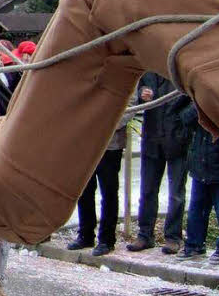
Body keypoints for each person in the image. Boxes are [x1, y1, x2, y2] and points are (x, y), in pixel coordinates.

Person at [127, 72, 196, 254]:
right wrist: (143, 94)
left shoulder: (182, 70)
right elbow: (139, 94)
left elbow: (197, 100)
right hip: (152, 138)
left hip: (177, 139)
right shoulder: (149, 70)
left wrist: (183, 120)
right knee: (147, 190)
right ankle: (144, 234)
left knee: (176, 194)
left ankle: (173, 237)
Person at [178, 123, 219, 263]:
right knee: (196, 209)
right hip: (199, 164)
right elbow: (185, 119)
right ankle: (194, 244)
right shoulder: (197, 104)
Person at [68, 123, 125, 256]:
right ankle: (85, 235)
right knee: (84, 190)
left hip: (110, 144)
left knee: (109, 193)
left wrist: (106, 121)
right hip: (85, 142)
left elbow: (130, 105)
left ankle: (107, 240)